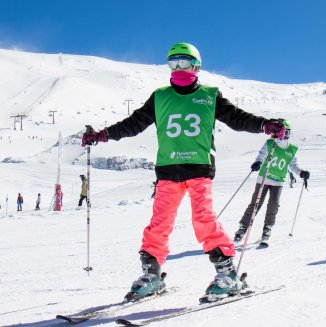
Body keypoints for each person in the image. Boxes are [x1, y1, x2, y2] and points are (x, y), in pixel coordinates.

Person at [81, 42, 286, 302]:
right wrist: (102, 135)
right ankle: (152, 275)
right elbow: (134, 124)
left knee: (203, 219)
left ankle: (227, 274)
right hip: (167, 171)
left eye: (184, 62)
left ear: (196, 67)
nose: (178, 67)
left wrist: (263, 125)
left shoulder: (211, 95)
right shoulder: (160, 96)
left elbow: (237, 118)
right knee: (159, 223)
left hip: (199, 167)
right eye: (173, 62)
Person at [233, 120, 309, 244]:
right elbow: (262, 155)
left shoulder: (291, 149)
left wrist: (301, 173)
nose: (274, 133)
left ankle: (267, 228)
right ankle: (242, 228)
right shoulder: (270, 143)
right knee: (255, 204)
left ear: (286, 132)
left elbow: (293, 165)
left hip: (278, 181)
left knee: (273, 205)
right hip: (264, 177)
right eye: (274, 131)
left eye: (277, 131)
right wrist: (258, 163)